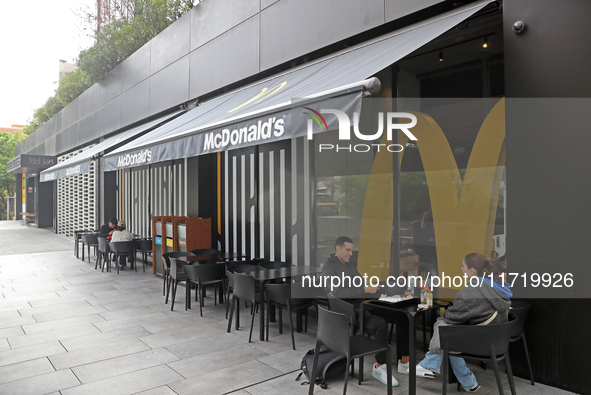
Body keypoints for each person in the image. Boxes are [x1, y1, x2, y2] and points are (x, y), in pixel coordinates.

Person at [321, 236, 413, 387]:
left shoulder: (350, 266)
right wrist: (364, 289)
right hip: (350, 312)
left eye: (352, 250)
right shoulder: (328, 268)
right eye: (347, 250)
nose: (351, 253)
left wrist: (374, 289)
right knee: (380, 324)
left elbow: (359, 286)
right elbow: (337, 292)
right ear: (338, 249)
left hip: (364, 304)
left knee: (402, 316)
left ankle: (404, 362)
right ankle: (379, 367)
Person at [415, 252, 513, 392]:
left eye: (463, 266)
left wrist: (450, 311)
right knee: (449, 335)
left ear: (472, 270)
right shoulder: (496, 286)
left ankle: (430, 364)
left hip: (480, 344)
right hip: (497, 342)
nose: (461, 269)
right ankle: (468, 382)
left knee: (442, 325)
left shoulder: (470, 292)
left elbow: (451, 318)